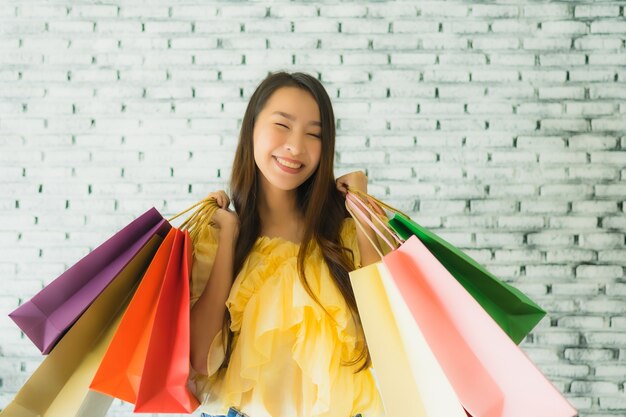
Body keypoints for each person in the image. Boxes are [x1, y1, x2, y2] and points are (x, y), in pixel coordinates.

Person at [188, 71, 388, 417]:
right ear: (251, 128)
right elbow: (201, 361)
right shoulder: (217, 235)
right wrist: (229, 236)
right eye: (282, 126)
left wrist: (363, 211)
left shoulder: (348, 236)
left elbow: (390, 345)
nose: (296, 147)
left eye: (314, 134)